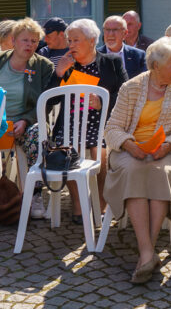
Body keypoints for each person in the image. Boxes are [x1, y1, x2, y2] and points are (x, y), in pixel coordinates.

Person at [102, 37, 171, 284]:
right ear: (156, 66)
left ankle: (146, 253)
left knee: (160, 173)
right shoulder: (131, 87)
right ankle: (148, 252)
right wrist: (130, 146)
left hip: (166, 152)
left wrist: (169, 146)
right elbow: (112, 128)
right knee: (133, 170)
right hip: (131, 150)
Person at [0, 18, 56, 220]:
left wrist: (26, 120)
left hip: (23, 123)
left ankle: (35, 195)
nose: (29, 45)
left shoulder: (43, 66)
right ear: (13, 40)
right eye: (25, 40)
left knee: (38, 135)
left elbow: (46, 102)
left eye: (34, 41)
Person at [52, 18, 128, 222]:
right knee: (65, 151)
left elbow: (126, 94)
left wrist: (104, 103)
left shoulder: (111, 62)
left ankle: (100, 203)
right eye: (69, 41)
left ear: (92, 40)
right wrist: (58, 74)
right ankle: (78, 204)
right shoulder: (65, 65)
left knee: (100, 152)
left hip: (101, 122)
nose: (71, 45)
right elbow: (49, 99)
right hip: (70, 122)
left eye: (76, 40)